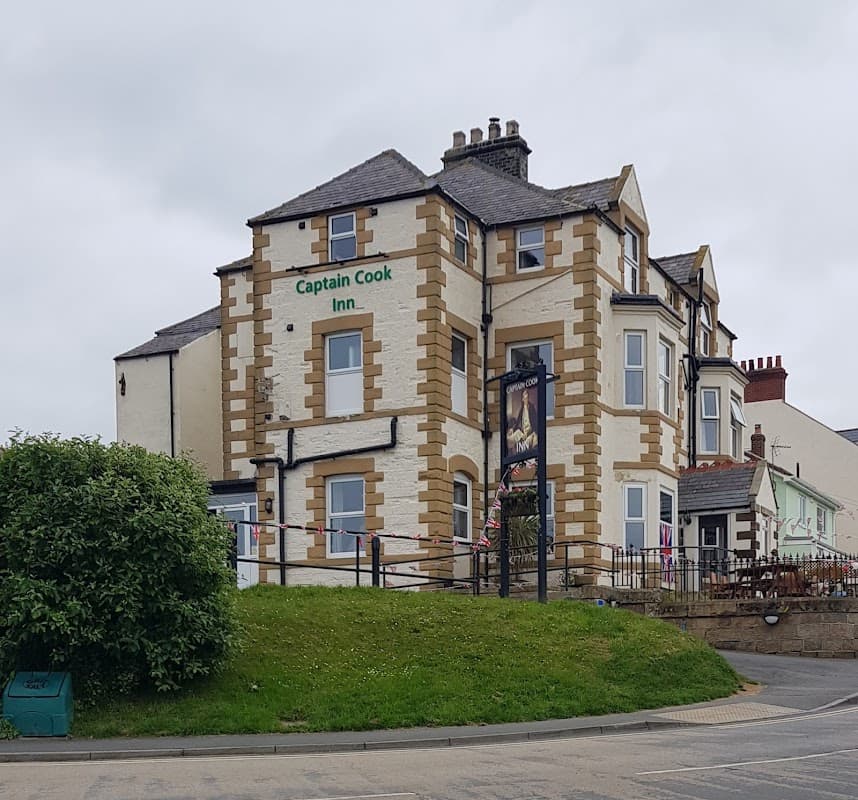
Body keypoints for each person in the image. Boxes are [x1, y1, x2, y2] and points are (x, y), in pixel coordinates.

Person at [507, 387, 538, 454]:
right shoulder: (521, 410)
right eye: (524, 394)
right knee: (509, 438)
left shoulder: (531, 407)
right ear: (522, 398)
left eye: (526, 394)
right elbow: (518, 422)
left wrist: (533, 432)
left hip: (530, 433)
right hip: (523, 433)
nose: (526, 396)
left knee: (527, 446)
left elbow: (535, 422)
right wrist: (512, 428)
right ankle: (509, 451)